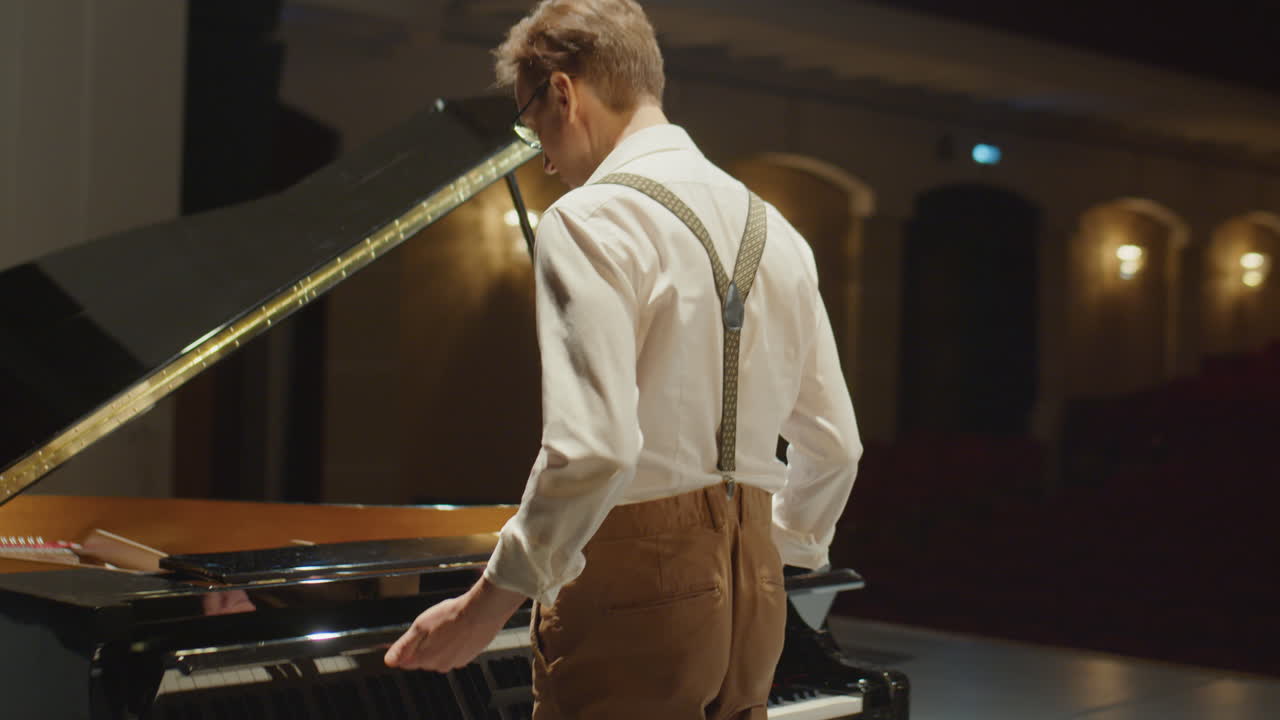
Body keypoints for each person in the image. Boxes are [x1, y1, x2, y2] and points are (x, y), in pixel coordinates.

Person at [385, 1, 861, 717]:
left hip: (634, 590)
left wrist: (484, 607)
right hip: (755, 602)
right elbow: (837, 447)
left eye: (530, 120)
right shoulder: (782, 234)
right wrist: (771, 548)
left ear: (564, 92)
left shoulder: (592, 217)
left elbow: (596, 450)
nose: (541, 154)